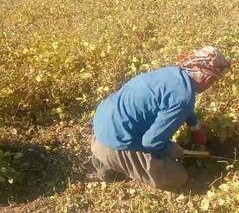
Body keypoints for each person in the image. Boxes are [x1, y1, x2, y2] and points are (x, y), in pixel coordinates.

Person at [91, 46, 231, 189]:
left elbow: (175, 99)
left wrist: (195, 127)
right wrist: (177, 151)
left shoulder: (172, 72)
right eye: (215, 81)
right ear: (208, 78)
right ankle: (112, 164)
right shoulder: (184, 98)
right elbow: (151, 142)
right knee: (178, 177)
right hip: (116, 143)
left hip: (101, 125)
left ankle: (106, 162)